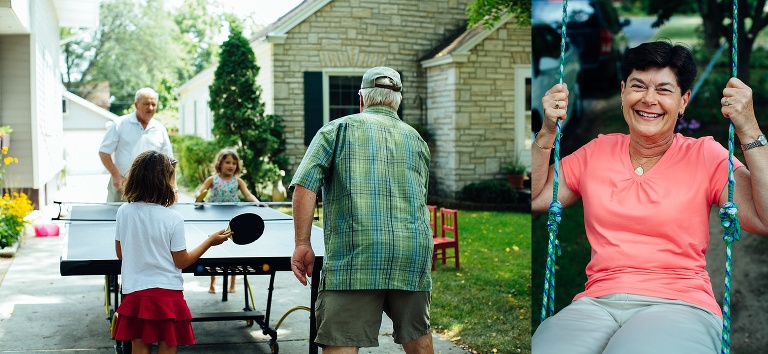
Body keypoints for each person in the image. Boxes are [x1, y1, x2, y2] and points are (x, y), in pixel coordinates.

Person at [531, 40, 768, 353]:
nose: (648, 99)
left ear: (684, 101)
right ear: (622, 92)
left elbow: (764, 219)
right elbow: (534, 197)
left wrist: (749, 128)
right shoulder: (597, 151)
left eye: (664, 90)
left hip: (680, 305)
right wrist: (546, 132)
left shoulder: (706, 156)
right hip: (596, 304)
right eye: (638, 85)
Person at [290, 66, 434, 353]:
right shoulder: (417, 140)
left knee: (341, 342)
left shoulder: (335, 130)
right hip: (411, 254)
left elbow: (305, 187)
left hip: (354, 256)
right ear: (398, 101)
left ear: (362, 99)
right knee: (418, 338)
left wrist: (302, 243)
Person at [111, 150, 231, 353]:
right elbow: (181, 261)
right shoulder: (173, 218)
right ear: (163, 183)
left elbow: (121, 254)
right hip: (168, 296)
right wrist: (209, 241)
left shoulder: (124, 211)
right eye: (172, 180)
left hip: (136, 294)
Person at [194, 148, 260, 294]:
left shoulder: (238, 182)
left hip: (233, 221)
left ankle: (233, 282)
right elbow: (199, 192)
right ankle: (212, 282)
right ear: (220, 163)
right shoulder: (212, 180)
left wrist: (259, 203)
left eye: (234, 163)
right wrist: (199, 196)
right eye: (228, 162)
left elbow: (248, 196)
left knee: (233, 252)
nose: (231, 166)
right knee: (214, 251)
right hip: (214, 219)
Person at [99, 87, 174, 202]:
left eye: (153, 104)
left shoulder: (159, 129)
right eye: (146, 104)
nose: (150, 108)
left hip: (150, 189)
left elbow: (170, 161)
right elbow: (104, 152)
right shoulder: (120, 124)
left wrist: (172, 187)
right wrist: (116, 175)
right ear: (136, 104)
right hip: (122, 186)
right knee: (114, 219)